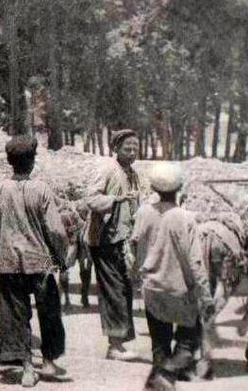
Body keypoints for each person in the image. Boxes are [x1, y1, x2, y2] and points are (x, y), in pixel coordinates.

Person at [0, 134, 69, 387]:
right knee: (49, 310)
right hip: (39, 261)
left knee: (14, 315)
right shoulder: (41, 190)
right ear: (31, 162)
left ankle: (27, 367)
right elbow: (55, 231)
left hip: (9, 261)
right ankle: (50, 361)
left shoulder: (0, 189)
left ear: (11, 162)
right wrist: (61, 258)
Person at [130, 162, 214, 390]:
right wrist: (205, 295)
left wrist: (137, 278)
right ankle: (166, 375)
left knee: (159, 345)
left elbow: (133, 249)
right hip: (180, 291)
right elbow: (195, 262)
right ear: (179, 189)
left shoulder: (143, 213)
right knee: (188, 341)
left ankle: (161, 380)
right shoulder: (185, 217)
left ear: (154, 188)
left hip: (152, 288)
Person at [85, 128, 149, 360]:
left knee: (124, 289)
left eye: (135, 148)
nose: (132, 153)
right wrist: (115, 200)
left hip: (123, 241)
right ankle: (114, 345)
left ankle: (120, 342)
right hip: (105, 240)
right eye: (127, 148)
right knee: (113, 290)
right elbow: (91, 198)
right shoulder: (108, 170)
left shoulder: (133, 173)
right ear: (116, 149)